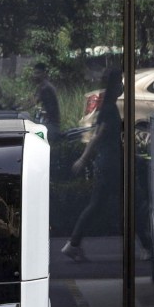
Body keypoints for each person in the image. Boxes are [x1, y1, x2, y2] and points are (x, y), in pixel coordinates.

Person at [61, 67, 123, 262]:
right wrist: (83, 158)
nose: (123, 85)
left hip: (109, 160)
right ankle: (73, 243)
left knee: (101, 204)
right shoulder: (109, 108)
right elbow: (98, 136)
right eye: (120, 81)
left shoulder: (108, 106)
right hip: (109, 162)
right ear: (115, 84)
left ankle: (73, 243)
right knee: (126, 202)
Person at [30, 62, 61, 139]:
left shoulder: (45, 87)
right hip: (48, 123)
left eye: (38, 73)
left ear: (44, 74)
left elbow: (32, 103)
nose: (36, 76)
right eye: (35, 73)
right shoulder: (42, 86)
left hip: (51, 125)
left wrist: (17, 109)